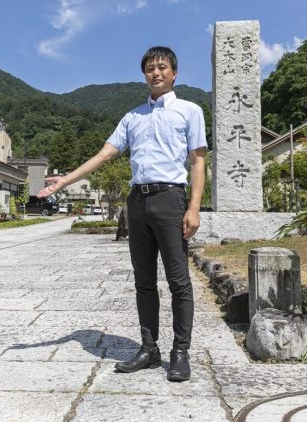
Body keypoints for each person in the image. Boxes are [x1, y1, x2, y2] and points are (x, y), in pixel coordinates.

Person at [38, 46, 207, 382]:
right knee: (143, 281)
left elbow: (198, 161)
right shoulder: (132, 117)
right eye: (149, 68)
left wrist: (194, 208)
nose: (155, 73)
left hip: (171, 198)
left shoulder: (190, 111)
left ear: (174, 72)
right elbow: (104, 154)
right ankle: (149, 347)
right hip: (138, 202)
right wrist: (65, 181)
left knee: (178, 281)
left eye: (161, 67)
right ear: (144, 75)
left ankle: (180, 352)